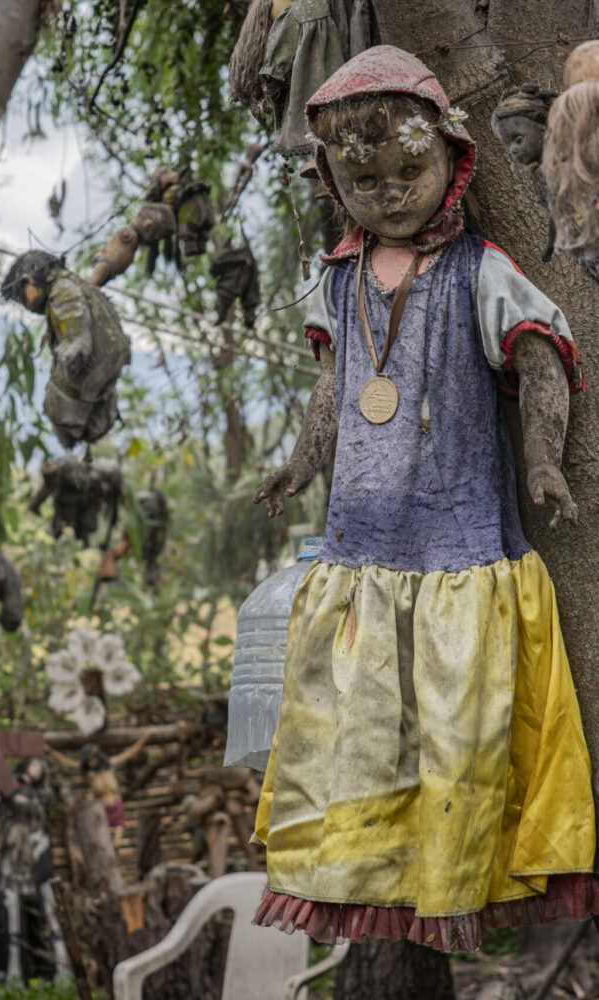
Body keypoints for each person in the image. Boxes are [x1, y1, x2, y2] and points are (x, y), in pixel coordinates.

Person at [250, 45, 597, 953]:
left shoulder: (481, 270)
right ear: (332, 179)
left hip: (461, 559)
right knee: (361, 747)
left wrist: (544, 463)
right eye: (363, 180)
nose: (389, 191)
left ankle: (457, 875)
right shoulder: (334, 283)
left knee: (459, 743)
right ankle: (375, 873)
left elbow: (537, 357)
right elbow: (331, 391)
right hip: (359, 561)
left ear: (452, 158)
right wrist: (299, 464)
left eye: (409, 169)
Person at [0, 251, 130, 448]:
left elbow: (78, 342)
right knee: (92, 422)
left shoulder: (62, 291)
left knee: (57, 412)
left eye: (21, 297)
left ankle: (77, 432)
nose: (25, 306)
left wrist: (68, 363)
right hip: (109, 368)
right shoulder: (79, 285)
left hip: (89, 367)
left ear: (29, 281)